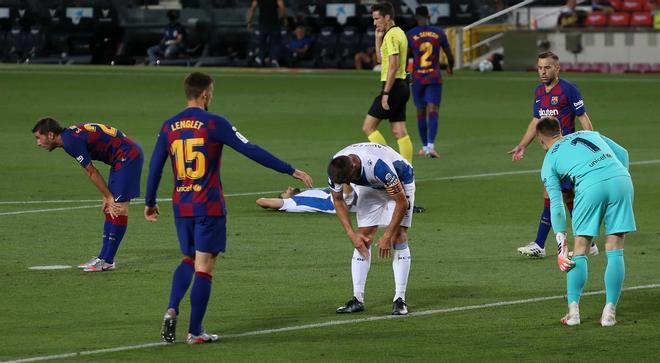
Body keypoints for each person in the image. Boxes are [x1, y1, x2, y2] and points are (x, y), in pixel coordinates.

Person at [144, 72, 313, 345]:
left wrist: (150, 202)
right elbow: (251, 149)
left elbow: (154, 167)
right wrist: (289, 169)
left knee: (188, 259)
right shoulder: (214, 123)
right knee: (205, 266)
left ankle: (172, 306)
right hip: (208, 205)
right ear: (206, 94)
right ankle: (195, 331)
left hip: (182, 205)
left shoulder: (169, 126)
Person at [535, 116, 635, 327]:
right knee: (615, 247)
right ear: (560, 130)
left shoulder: (549, 159)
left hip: (590, 187)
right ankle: (609, 313)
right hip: (621, 181)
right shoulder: (588, 134)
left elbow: (556, 204)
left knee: (580, 248)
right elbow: (623, 153)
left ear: (541, 140)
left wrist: (561, 245)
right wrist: (617, 179)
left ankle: (573, 313)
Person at [508, 51, 597, 258]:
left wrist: (591, 143)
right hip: (552, 152)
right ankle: (588, 242)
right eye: (539, 67)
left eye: (547, 67)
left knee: (551, 193)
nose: (542, 71)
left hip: (567, 152)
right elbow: (536, 122)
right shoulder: (539, 92)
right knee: (565, 196)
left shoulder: (569, 89)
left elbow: (583, 117)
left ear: (557, 68)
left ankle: (540, 244)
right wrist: (523, 145)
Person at [32, 117, 143, 272]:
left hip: (127, 157)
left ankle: (108, 261)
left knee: (118, 207)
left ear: (50, 135)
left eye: (39, 138)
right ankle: (102, 257)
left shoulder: (70, 142)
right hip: (121, 157)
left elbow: (91, 171)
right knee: (109, 208)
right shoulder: (69, 135)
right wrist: (106, 196)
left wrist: (108, 196)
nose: (38, 143)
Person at [327, 142, 415, 316]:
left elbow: (401, 202)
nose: (346, 185)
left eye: (347, 181)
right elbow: (338, 200)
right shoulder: (336, 166)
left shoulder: (378, 166)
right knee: (363, 237)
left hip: (401, 180)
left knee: (399, 235)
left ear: (354, 168)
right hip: (371, 186)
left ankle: (400, 299)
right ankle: (357, 299)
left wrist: (387, 235)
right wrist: (351, 234)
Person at [362, 1, 413, 164]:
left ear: (387, 17)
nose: (374, 23)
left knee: (368, 127)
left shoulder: (391, 36)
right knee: (399, 131)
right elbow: (380, 60)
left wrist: (385, 94)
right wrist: (378, 39)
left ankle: (386, 164)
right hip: (402, 85)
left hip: (393, 86)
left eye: (377, 19)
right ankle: (407, 171)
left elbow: (393, 66)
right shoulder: (397, 33)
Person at [406, 5, 454, 158]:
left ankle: (424, 146)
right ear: (429, 16)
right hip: (433, 76)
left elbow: (405, 58)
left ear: (416, 17)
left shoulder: (410, 34)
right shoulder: (439, 33)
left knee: (420, 111)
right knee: (433, 110)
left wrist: (407, 73)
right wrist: (450, 67)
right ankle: (431, 146)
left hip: (418, 78)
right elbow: (449, 54)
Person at [256, 184, 357, 213]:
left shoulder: (308, 193)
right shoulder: (291, 203)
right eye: (285, 192)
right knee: (344, 173)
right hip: (335, 204)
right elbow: (261, 202)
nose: (289, 188)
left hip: (345, 201)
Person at [247, 0, 287, 67]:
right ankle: (274, 59)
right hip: (274, 23)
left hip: (263, 24)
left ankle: (260, 59)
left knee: (262, 44)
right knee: (275, 43)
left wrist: (249, 22)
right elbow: (282, 7)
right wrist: (285, 19)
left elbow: (252, 8)